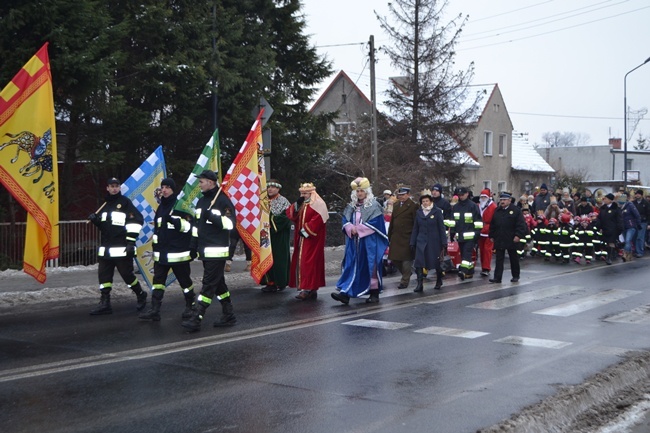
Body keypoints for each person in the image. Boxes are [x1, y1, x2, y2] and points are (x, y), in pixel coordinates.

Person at [181, 170, 237, 332]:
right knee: (218, 284)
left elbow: (230, 225)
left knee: (208, 284)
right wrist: (192, 245)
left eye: (202, 182)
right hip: (204, 250)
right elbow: (196, 227)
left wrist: (212, 217)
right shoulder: (201, 202)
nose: (199, 185)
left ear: (211, 182)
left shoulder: (222, 200)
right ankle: (228, 313)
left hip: (217, 251)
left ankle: (197, 316)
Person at [87, 177, 146, 315]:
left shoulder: (125, 203)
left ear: (119, 188)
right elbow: (105, 226)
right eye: (111, 186)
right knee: (104, 278)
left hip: (122, 248)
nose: (114, 188)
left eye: (116, 186)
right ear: (107, 188)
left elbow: (136, 221)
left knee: (127, 276)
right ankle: (105, 303)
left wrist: (131, 241)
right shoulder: (105, 204)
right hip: (106, 249)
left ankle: (140, 294)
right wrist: (96, 221)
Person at [139, 178, 195, 322]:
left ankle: (191, 306)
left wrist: (175, 221)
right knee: (158, 282)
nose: (164, 190)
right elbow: (158, 229)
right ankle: (155, 309)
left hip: (178, 254)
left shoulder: (180, 206)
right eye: (162, 187)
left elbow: (189, 227)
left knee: (185, 282)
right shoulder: (161, 206)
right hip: (161, 254)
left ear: (173, 189)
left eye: (167, 187)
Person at [332, 177, 388, 304]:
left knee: (370, 266)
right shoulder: (351, 206)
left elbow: (377, 223)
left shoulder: (374, 205)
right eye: (357, 191)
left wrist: (360, 229)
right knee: (351, 266)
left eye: (362, 191)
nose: (359, 193)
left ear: (367, 191)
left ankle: (374, 292)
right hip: (354, 243)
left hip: (368, 243)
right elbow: (345, 220)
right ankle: (345, 293)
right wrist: (350, 227)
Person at [287, 182, 329, 300]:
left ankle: (308, 288)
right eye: (302, 193)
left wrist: (306, 230)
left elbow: (319, 220)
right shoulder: (302, 204)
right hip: (301, 239)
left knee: (308, 263)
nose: (303, 195)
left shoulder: (319, 204)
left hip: (312, 239)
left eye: (306, 193)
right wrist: (296, 205)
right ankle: (308, 288)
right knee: (302, 262)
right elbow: (292, 216)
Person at [410, 189, 447, 292]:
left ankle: (439, 280)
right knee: (419, 263)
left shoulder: (437, 211)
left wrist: (444, 242)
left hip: (434, 242)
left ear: (431, 201)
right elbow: (415, 228)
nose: (425, 203)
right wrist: (412, 242)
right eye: (423, 201)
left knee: (435, 262)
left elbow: (441, 228)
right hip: (421, 241)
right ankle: (419, 284)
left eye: (427, 201)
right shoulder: (419, 212)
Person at [260, 179, 292, 292]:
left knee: (279, 259)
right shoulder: (264, 201)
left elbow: (287, 217)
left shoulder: (283, 201)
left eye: (273, 187)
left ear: (278, 189)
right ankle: (270, 281)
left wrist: (270, 221)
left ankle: (280, 282)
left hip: (279, 236)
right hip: (266, 236)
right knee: (266, 257)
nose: (270, 189)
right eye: (268, 187)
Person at [488, 192, 527, 283]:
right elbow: (493, 224)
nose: (502, 202)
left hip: (511, 237)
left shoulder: (516, 210)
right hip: (500, 237)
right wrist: (492, 235)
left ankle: (515, 276)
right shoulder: (497, 210)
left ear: (509, 200)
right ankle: (497, 277)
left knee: (513, 258)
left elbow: (521, 225)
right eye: (501, 200)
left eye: (504, 200)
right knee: (499, 259)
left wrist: (518, 235)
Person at [447, 186, 482, 280]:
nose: (461, 197)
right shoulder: (456, 207)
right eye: (459, 195)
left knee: (466, 253)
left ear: (467, 194)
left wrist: (477, 233)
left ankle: (463, 271)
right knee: (464, 254)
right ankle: (470, 272)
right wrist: (452, 233)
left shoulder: (472, 206)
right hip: (460, 235)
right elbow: (453, 221)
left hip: (470, 235)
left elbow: (478, 221)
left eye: (462, 195)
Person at [387, 186, 418, 289]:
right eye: (399, 195)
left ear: (408, 195)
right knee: (394, 258)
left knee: (406, 260)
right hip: (396, 236)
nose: (401, 197)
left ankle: (404, 281)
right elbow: (392, 222)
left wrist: (414, 238)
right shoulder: (396, 205)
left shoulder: (413, 206)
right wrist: (389, 235)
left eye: (403, 195)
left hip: (407, 236)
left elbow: (415, 223)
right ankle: (406, 273)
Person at [597, 193, 624, 265]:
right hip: (604, 229)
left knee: (611, 243)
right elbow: (599, 218)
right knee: (606, 243)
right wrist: (599, 226)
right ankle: (608, 254)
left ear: (610, 200)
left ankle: (609, 258)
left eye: (606, 199)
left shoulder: (616, 208)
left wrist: (619, 228)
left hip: (613, 229)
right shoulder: (603, 208)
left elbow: (619, 219)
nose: (604, 200)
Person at [478, 189, 496, 277]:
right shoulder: (479, 206)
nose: (483, 198)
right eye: (481, 197)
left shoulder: (493, 206)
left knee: (487, 250)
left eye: (484, 197)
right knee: (481, 250)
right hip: (480, 230)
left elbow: (495, 220)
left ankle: (486, 268)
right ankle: (483, 267)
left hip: (489, 230)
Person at [618, 192, 641, 262]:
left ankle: (625, 254)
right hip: (623, 227)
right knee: (626, 241)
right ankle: (630, 255)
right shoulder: (619, 207)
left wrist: (638, 224)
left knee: (628, 240)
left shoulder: (630, 205)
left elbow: (637, 215)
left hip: (631, 226)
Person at [632, 189, 649, 257]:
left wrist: (649, 223)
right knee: (634, 237)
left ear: (641, 195)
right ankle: (636, 251)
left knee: (640, 237)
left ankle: (640, 252)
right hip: (634, 222)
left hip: (643, 222)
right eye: (636, 194)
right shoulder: (633, 203)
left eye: (638, 194)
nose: (637, 195)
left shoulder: (646, 203)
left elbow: (648, 213)